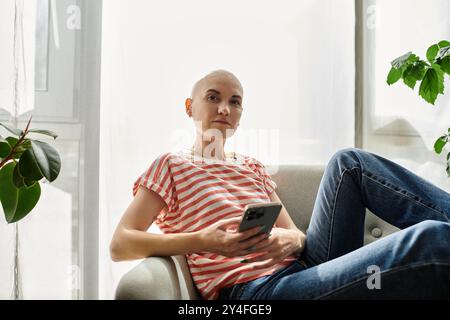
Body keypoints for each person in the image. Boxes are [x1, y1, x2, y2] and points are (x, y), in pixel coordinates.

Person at [110, 69, 450, 300]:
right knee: (431, 238)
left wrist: (292, 238)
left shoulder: (251, 166)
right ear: (190, 107)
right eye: (213, 98)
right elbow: (121, 244)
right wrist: (205, 241)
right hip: (255, 292)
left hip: (304, 268)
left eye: (235, 101)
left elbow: (298, 237)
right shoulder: (171, 165)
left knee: (349, 162)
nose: (225, 108)